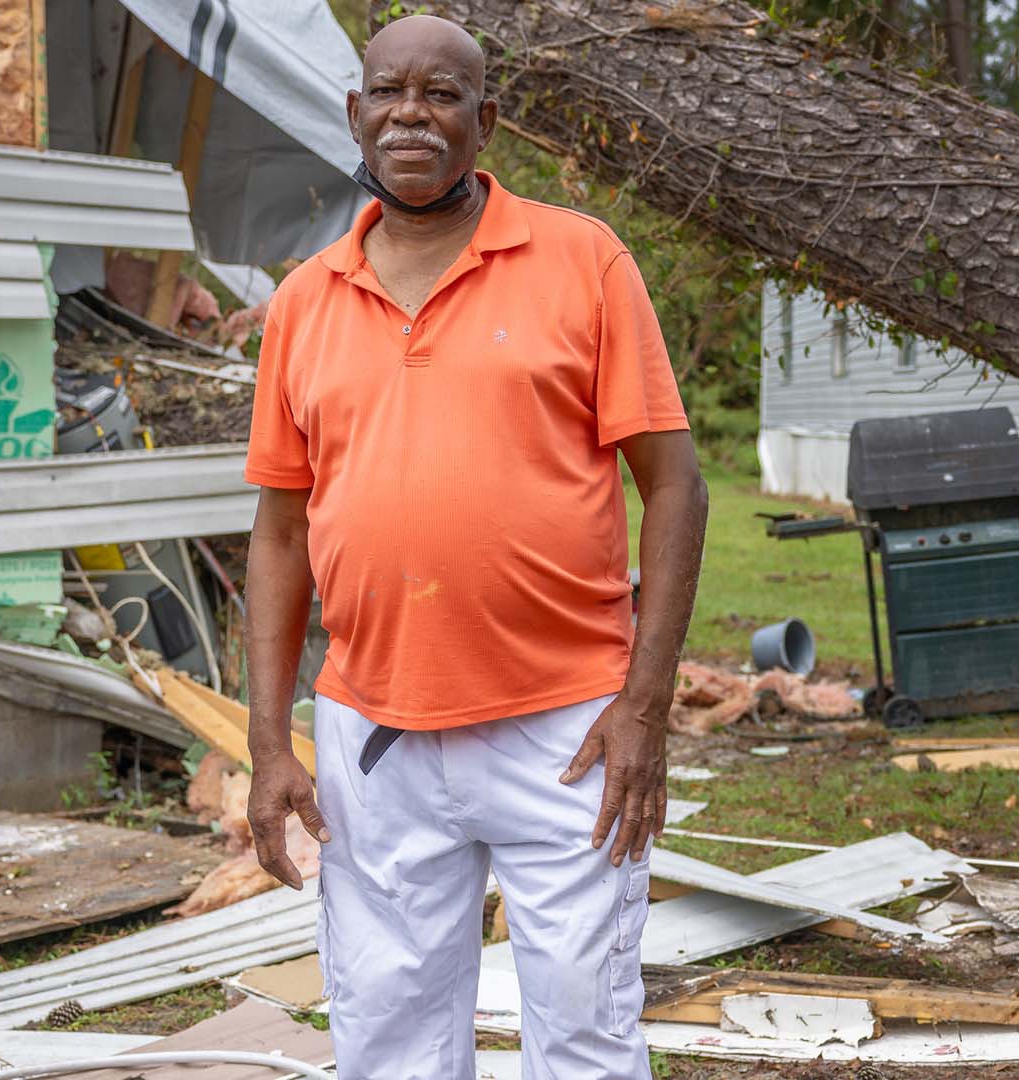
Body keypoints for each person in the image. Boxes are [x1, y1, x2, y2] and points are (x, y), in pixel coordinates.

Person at [242, 14, 709, 1079]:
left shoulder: (581, 259)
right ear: (355, 113)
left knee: (584, 1029)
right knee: (388, 1032)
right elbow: (278, 535)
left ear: (483, 120)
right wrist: (271, 744)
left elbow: (675, 487)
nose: (413, 112)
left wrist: (643, 706)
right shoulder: (304, 302)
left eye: (443, 93)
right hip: (375, 735)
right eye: (389, 91)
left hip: (568, 728)